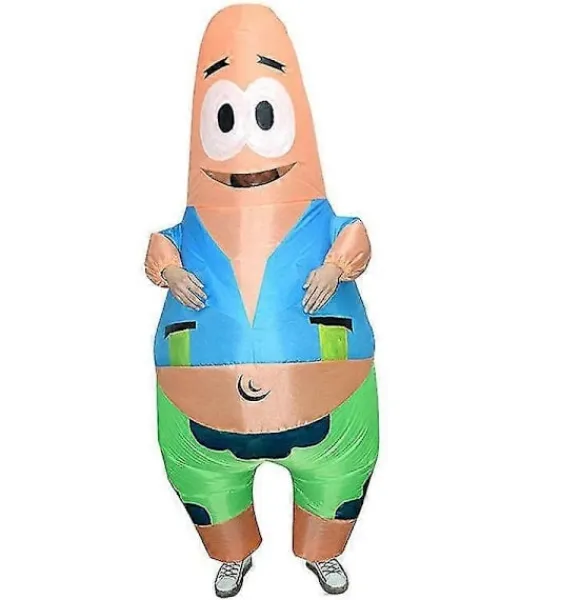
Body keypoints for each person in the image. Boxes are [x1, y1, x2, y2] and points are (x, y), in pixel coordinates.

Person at [145, 5, 379, 597]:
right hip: (200, 396)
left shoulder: (322, 220)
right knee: (201, 477)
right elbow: (158, 246)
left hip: (327, 386)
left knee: (339, 471)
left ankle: (322, 552)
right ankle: (232, 555)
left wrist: (336, 265)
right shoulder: (191, 226)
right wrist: (168, 270)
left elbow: (356, 236)